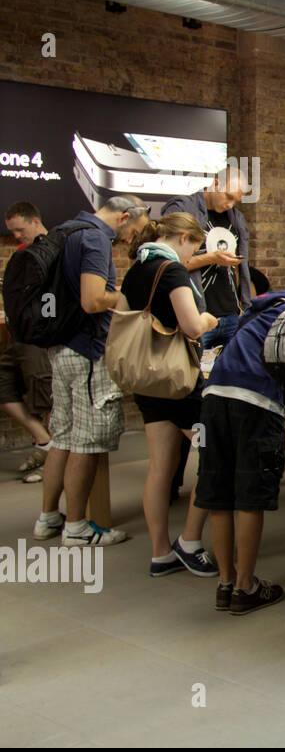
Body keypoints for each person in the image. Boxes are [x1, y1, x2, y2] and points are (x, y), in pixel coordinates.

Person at [196, 264, 285, 614]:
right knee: (250, 496)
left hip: (214, 396)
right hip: (258, 402)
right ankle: (247, 587)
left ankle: (226, 583)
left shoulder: (261, 308)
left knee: (219, 494)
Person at [33, 195, 150, 546]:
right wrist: (133, 295)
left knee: (63, 438)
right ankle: (78, 527)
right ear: (124, 217)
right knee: (86, 442)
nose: (130, 240)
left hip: (62, 348)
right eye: (134, 232)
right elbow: (93, 300)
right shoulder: (96, 237)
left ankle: (48, 518)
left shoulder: (67, 230)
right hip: (86, 351)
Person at [116, 213, 221, 576]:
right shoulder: (172, 271)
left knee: (160, 466)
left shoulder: (135, 270)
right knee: (213, 456)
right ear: (182, 239)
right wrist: (211, 320)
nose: (193, 256)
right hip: (178, 381)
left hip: (147, 381)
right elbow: (192, 325)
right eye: (194, 247)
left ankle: (160, 551)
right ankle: (190, 541)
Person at [162, 166, 251, 350]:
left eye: (236, 201)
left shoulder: (236, 218)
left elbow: (241, 269)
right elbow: (167, 263)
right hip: (197, 315)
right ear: (216, 183)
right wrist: (212, 258)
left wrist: (244, 305)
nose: (230, 204)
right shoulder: (183, 208)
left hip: (231, 314)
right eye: (228, 196)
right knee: (195, 376)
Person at [2, 202, 54, 482]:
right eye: (12, 231)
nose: (16, 236)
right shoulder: (22, 255)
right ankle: (44, 442)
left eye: (20, 230)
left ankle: (52, 457)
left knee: (44, 393)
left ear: (35, 221)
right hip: (18, 336)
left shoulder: (52, 251)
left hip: (38, 338)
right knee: (3, 385)